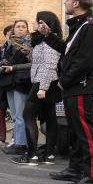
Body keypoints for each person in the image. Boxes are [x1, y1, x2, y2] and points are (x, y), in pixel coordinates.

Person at [38, 0, 93, 184]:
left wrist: (64, 80)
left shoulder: (89, 27)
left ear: (76, 3)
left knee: (86, 134)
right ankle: (76, 169)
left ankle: (92, 177)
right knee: (76, 133)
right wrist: (49, 35)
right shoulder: (80, 26)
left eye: (68, 0)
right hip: (74, 87)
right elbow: (68, 53)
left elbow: (85, 61)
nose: (65, 2)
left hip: (81, 87)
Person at [11, 11, 63, 165]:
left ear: (43, 24)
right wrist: (29, 53)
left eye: (35, 21)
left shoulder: (49, 42)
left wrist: (43, 88)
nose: (32, 24)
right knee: (49, 117)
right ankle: (49, 155)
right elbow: (37, 62)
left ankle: (31, 155)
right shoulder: (41, 40)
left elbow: (49, 66)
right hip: (44, 82)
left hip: (44, 83)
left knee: (28, 115)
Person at [0, 19, 32, 156]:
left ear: (27, 30)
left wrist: (27, 53)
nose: (20, 29)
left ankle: (22, 144)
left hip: (22, 82)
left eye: (23, 27)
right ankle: (17, 141)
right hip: (10, 82)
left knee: (20, 115)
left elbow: (33, 64)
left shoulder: (30, 44)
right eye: (18, 27)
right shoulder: (10, 44)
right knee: (14, 115)